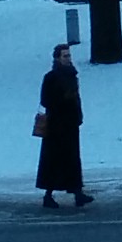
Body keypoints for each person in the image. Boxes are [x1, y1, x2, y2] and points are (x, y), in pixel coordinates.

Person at [34, 44, 90, 210]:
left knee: (72, 159)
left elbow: (76, 98)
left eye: (69, 56)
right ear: (57, 58)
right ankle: (48, 195)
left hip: (70, 123)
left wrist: (78, 115)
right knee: (54, 161)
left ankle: (77, 193)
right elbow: (45, 99)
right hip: (56, 126)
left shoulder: (72, 75)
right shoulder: (51, 77)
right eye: (64, 56)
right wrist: (62, 100)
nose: (68, 59)